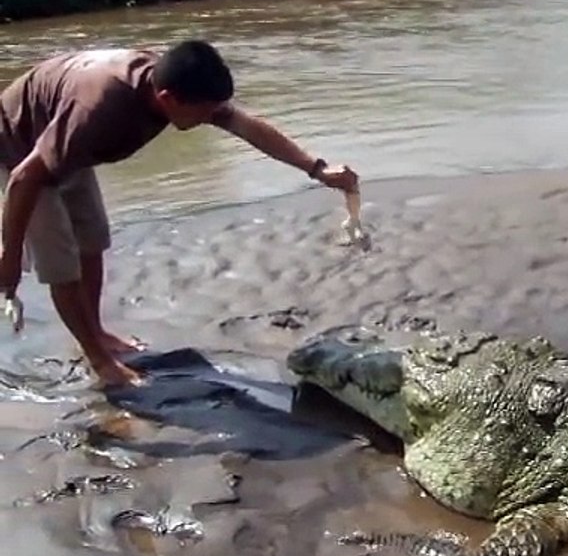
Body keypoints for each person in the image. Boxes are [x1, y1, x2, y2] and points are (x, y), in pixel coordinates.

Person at [0, 39, 358, 388]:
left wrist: (317, 169)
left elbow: (248, 127)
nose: (208, 120)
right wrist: (10, 255)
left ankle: (96, 334)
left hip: (59, 140)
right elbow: (24, 179)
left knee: (92, 239)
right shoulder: (99, 112)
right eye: (203, 113)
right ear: (167, 99)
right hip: (16, 150)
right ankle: (100, 362)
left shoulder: (177, 85)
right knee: (61, 264)